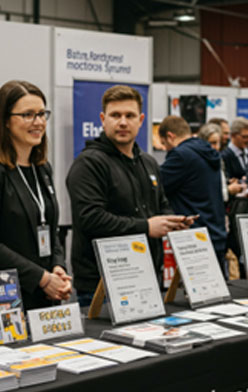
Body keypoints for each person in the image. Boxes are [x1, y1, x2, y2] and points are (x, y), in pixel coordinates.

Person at [66, 85, 190, 307]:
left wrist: (172, 221)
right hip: (100, 285)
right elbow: (91, 219)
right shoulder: (88, 163)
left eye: (129, 116)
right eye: (115, 115)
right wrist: (145, 227)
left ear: (141, 120)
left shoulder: (148, 162)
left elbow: (161, 205)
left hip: (146, 277)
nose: (123, 122)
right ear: (103, 119)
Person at [0, 80, 71, 310]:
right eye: (28, 114)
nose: (38, 122)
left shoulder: (42, 169)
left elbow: (50, 227)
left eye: (42, 114)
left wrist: (58, 267)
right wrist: (41, 278)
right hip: (8, 296)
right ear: (6, 121)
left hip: (44, 295)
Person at [159, 116, 227, 271]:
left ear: (170, 136)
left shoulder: (180, 156)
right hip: (215, 232)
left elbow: (158, 188)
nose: (164, 149)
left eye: (164, 144)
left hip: (193, 237)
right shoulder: (208, 152)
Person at [220, 117, 248, 277]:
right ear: (234, 135)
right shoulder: (225, 156)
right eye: (245, 137)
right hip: (232, 211)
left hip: (247, 209)